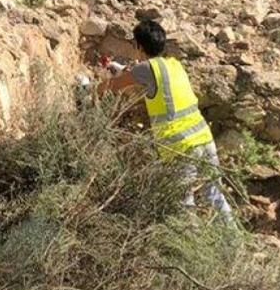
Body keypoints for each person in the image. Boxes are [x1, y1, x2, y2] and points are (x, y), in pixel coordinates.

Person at [98, 19, 234, 222]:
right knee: (214, 194)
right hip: (204, 138)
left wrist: (92, 88)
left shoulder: (145, 69)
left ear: (139, 46)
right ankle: (233, 243)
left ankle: (191, 248)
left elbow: (114, 85)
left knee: (184, 203)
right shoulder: (174, 65)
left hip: (182, 147)